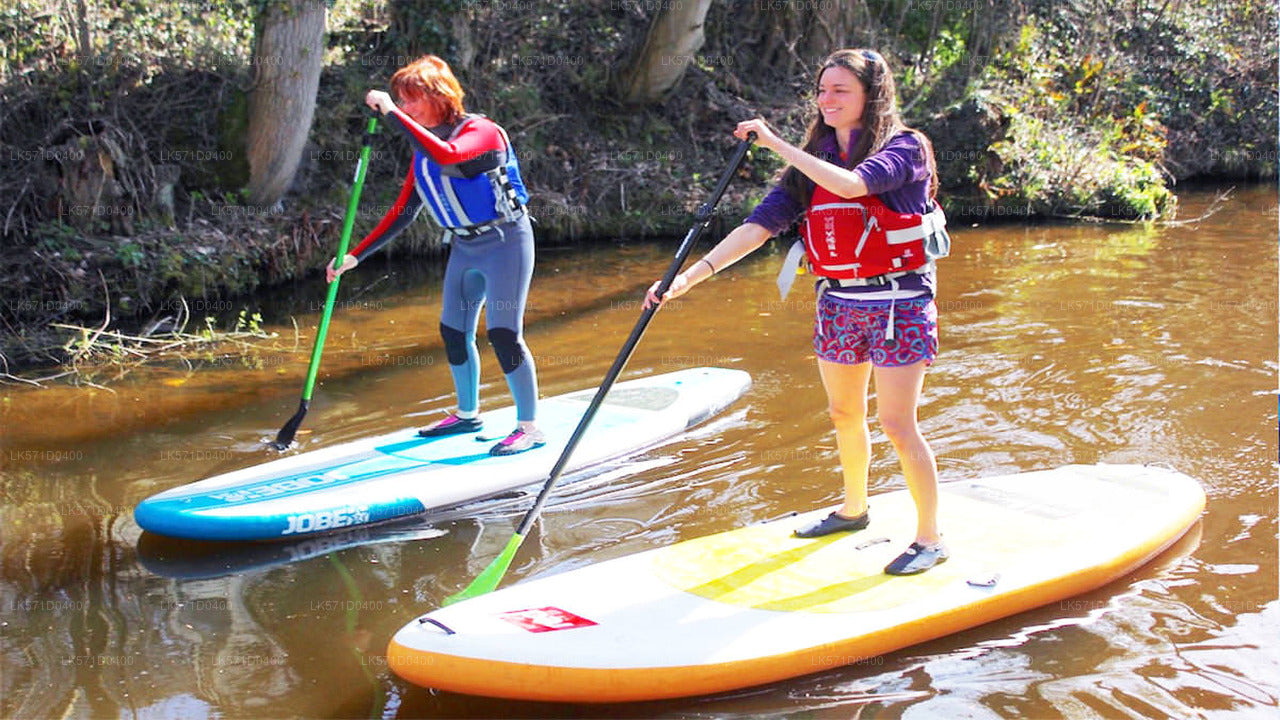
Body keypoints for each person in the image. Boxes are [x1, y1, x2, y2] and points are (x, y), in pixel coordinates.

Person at [645, 49, 950, 575]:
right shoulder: (815, 158)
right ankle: (853, 510)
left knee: (897, 423)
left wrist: (776, 144)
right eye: (822, 90)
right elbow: (758, 227)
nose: (826, 100)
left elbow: (854, 185)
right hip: (839, 303)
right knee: (843, 414)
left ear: (871, 95)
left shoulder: (906, 148)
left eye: (840, 91)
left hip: (898, 303)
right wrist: (685, 280)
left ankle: (929, 538)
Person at [327, 55, 544, 456]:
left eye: (411, 99)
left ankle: (529, 427)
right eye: (400, 100)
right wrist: (356, 256)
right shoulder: (422, 150)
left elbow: (451, 157)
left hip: (505, 243)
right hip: (464, 247)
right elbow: (403, 211)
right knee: (453, 331)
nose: (404, 107)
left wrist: (391, 113)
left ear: (439, 97)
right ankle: (467, 415)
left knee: (503, 333)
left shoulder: (481, 133)